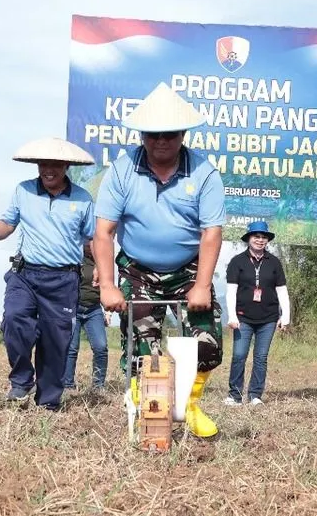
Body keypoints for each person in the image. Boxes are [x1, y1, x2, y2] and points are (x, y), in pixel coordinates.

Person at [93, 83, 226, 438]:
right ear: (142, 134)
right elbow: (103, 232)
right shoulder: (122, 171)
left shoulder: (204, 173)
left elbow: (212, 232)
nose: (161, 141)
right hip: (137, 270)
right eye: (153, 135)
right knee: (143, 350)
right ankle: (143, 407)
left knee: (208, 345)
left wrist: (200, 286)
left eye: (169, 134)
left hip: (189, 269)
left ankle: (190, 404)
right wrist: (107, 285)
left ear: (183, 134)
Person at [0, 137, 94, 411]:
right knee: (14, 319)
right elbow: (7, 224)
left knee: (57, 341)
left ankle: (48, 401)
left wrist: (101, 268)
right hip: (25, 274)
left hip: (64, 279)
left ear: (66, 166)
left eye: (55, 165)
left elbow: (92, 240)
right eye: (43, 164)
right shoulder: (23, 191)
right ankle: (21, 380)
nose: (48, 170)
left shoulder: (83, 198)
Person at [223, 220, 290, 406]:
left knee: (261, 358)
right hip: (242, 317)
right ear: (249, 239)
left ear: (267, 240)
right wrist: (232, 316)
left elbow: (282, 290)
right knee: (239, 355)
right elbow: (231, 291)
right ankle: (234, 396)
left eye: (263, 237)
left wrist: (286, 317)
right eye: (256, 236)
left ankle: (255, 395)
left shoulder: (274, 262)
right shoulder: (237, 262)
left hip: (268, 318)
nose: (260, 240)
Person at [63, 240, 109, 391]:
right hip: (74, 308)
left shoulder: (103, 262)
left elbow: (107, 287)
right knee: (71, 348)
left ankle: (98, 386)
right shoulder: (74, 258)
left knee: (101, 347)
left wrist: (107, 312)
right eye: (90, 243)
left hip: (94, 309)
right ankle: (68, 384)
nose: (93, 245)